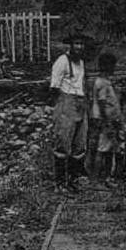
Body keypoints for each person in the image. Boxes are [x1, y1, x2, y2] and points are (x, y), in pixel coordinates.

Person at [50, 31, 90, 193]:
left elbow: (81, 84)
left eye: (81, 44)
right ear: (70, 45)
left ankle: (74, 179)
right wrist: (60, 109)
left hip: (80, 103)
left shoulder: (80, 62)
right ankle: (60, 183)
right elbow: (54, 87)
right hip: (66, 103)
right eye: (76, 44)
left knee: (79, 144)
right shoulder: (62, 61)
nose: (79, 47)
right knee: (63, 143)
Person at [90, 52, 123, 190]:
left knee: (109, 149)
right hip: (105, 121)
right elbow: (103, 103)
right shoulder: (102, 83)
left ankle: (107, 178)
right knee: (102, 149)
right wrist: (108, 122)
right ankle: (97, 180)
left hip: (109, 120)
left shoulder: (106, 81)